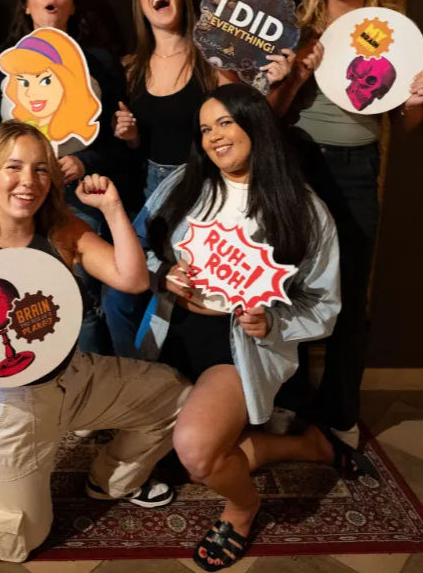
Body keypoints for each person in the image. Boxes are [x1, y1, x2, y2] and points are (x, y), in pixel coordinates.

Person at [0, 120, 190, 563]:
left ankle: (111, 481)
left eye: (41, 169)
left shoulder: (63, 232)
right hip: (6, 404)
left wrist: (112, 209)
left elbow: (133, 278)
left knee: (175, 393)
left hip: (75, 376)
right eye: (13, 168)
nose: (28, 182)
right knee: (16, 542)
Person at [132, 84, 373, 570]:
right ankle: (306, 444)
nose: (214, 136)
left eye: (225, 122)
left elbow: (325, 306)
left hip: (238, 346)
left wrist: (273, 320)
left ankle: (242, 509)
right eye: (205, 128)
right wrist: (163, 273)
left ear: (255, 125)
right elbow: (139, 245)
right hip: (170, 331)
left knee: (197, 454)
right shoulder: (183, 184)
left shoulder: (303, 209)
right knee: (165, 456)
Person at [271, 0, 423, 447]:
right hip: (297, 164)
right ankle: (290, 400)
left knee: (349, 295)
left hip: (359, 167)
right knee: (291, 287)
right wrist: (299, 72)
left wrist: (417, 102)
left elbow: (405, 125)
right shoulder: (297, 29)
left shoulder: (395, 32)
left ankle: (340, 410)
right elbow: (269, 115)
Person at [0, 0, 129, 352]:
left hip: (77, 197)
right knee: (25, 295)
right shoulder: (0, 67)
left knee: (80, 293)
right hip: (18, 199)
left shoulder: (100, 63)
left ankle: (90, 383)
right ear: (26, 4)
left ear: (72, 5)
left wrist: (85, 162)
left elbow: (119, 144)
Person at [113, 0, 297, 199]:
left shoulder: (213, 62)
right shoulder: (129, 68)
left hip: (203, 184)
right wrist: (132, 137)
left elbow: (247, 123)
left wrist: (278, 84)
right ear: (140, 5)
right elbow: (134, 146)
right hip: (149, 190)